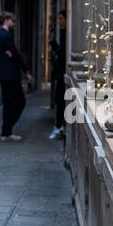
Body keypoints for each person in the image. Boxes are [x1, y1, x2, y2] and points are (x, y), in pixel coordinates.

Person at [0, 11, 32, 141]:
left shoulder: (0, 35)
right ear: (6, 21)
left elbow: (13, 53)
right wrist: (26, 71)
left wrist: (11, 54)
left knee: (8, 103)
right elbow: (16, 54)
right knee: (20, 102)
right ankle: (7, 128)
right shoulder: (6, 36)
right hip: (10, 75)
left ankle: (6, 132)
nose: (14, 23)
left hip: (4, 75)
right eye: (12, 21)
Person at [49, 10, 66, 140]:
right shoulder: (63, 33)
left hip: (62, 74)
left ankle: (59, 127)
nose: (59, 21)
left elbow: (62, 54)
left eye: (60, 18)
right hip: (60, 74)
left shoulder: (66, 34)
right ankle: (59, 126)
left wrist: (53, 43)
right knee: (59, 101)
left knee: (60, 101)